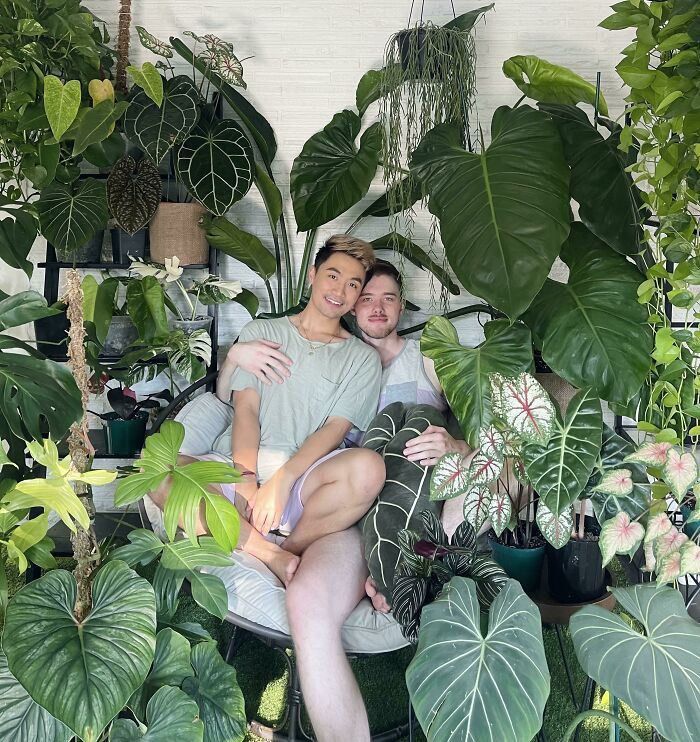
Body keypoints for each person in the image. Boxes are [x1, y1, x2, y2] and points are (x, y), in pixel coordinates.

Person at [217, 259, 473, 741]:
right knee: (176, 478)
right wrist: (236, 353)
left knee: (313, 593)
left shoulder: (428, 358)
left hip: (387, 511)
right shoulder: (341, 359)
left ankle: (378, 567)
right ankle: (279, 550)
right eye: (366, 296)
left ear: (402, 306)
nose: (376, 306)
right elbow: (236, 399)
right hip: (329, 505)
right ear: (350, 306)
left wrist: (452, 446)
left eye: (388, 298)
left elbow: (480, 437)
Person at [148, 235, 386, 588]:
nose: (340, 290)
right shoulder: (263, 332)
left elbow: (334, 430)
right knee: (160, 474)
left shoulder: (362, 359)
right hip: (232, 472)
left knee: (370, 468)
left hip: (305, 484)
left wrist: (282, 480)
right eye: (333, 276)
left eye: (353, 284)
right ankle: (271, 555)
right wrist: (245, 481)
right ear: (313, 274)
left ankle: (290, 546)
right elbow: (246, 411)